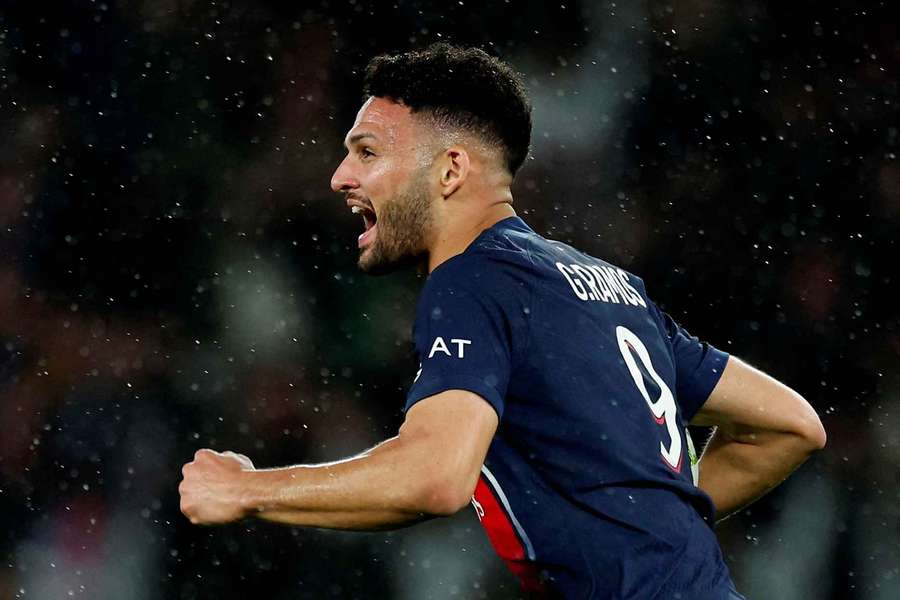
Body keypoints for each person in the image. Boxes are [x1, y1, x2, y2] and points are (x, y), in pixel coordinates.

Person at [179, 44, 826, 599]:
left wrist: (249, 489)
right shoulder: (610, 287)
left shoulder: (470, 280)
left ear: (451, 169)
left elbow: (434, 477)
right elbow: (791, 426)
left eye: (367, 151)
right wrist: (655, 536)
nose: (340, 175)